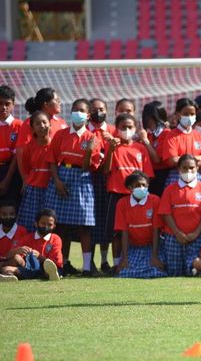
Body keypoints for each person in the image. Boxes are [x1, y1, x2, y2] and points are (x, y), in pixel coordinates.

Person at [44, 98, 100, 277]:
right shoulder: (61, 134)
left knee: (84, 225)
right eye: (75, 109)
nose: (78, 113)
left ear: (88, 115)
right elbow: (52, 160)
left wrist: (90, 151)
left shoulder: (92, 138)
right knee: (61, 226)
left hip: (82, 179)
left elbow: (87, 166)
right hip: (61, 176)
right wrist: (57, 181)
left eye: (82, 110)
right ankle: (63, 264)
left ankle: (86, 267)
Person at [102, 113, 156, 270]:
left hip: (138, 196)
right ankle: (117, 264)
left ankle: (136, 261)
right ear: (117, 128)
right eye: (123, 127)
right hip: (117, 194)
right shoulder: (112, 147)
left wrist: (140, 191)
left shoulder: (141, 149)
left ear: (135, 128)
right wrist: (111, 150)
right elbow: (106, 170)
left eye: (130, 127)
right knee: (116, 232)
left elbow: (147, 176)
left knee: (138, 229)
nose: (126, 130)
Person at [158, 154, 201, 276]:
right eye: (184, 168)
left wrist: (195, 233)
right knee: (174, 272)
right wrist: (177, 233)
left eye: (191, 168)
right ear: (178, 169)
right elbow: (165, 213)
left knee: (194, 265)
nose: (188, 171)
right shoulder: (169, 189)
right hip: (173, 237)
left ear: (197, 169)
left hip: (198, 237)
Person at [115, 171, 167, 278]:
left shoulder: (155, 200)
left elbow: (156, 230)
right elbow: (124, 232)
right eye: (138, 185)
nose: (141, 188)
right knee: (125, 273)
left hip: (152, 247)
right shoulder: (122, 203)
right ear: (130, 188)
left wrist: (155, 256)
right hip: (133, 247)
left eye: (144, 185)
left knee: (157, 271)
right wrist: (124, 258)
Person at [88, 98, 117, 275]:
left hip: (109, 179)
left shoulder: (113, 131)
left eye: (101, 108)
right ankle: (89, 261)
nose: (98, 112)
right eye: (94, 109)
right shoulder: (86, 132)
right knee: (91, 221)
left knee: (106, 221)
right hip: (89, 178)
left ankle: (105, 261)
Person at [158, 98, 201, 186]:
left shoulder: (199, 136)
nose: (189, 117)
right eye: (185, 114)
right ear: (178, 114)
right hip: (176, 177)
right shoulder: (171, 136)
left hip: (197, 178)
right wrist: (198, 157)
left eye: (192, 114)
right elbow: (173, 160)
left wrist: (182, 160)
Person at [0, 208, 62, 281]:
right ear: (36, 223)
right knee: (7, 268)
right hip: (30, 269)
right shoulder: (27, 237)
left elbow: (56, 262)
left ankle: (51, 275)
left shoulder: (55, 239)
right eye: (43, 223)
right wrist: (18, 250)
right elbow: (11, 255)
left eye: (49, 224)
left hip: (47, 268)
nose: (46, 226)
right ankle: (9, 276)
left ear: (54, 226)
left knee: (50, 269)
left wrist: (39, 256)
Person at [16, 112, 52, 233]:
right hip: (34, 190)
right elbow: (26, 168)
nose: (42, 126)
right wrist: (26, 182)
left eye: (44, 122)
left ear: (50, 124)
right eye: (37, 123)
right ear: (32, 128)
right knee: (30, 225)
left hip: (52, 190)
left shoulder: (55, 145)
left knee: (50, 225)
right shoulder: (29, 147)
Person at [141, 101, 171, 196]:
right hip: (148, 175)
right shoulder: (148, 133)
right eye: (147, 118)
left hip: (161, 175)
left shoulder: (166, 133)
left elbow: (157, 159)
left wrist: (145, 141)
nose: (148, 121)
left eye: (151, 118)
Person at [0, 85, 22, 205]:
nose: (3, 107)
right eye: (0, 103)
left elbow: (16, 156)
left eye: (7, 103)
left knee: (10, 210)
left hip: (11, 172)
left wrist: (7, 180)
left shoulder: (19, 125)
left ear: (13, 105)